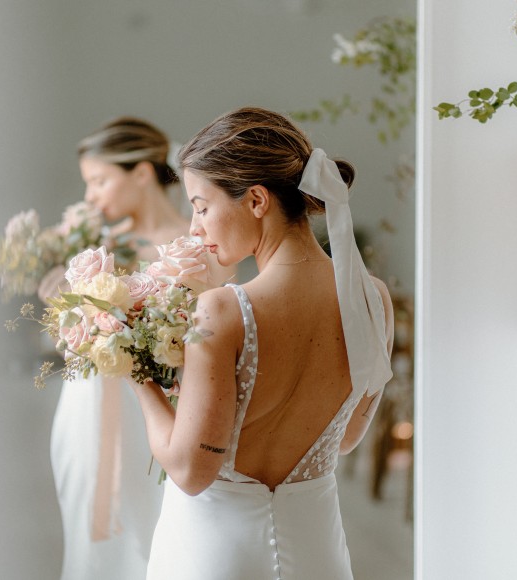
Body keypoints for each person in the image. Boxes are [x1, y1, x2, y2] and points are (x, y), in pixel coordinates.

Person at [129, 107, 395, 579]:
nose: (195, 227)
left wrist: (138, 375)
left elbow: (191, 473)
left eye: (202, 206)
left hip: (215, 553)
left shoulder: (224, 311)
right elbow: (347, 437)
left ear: (256, 200)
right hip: (317, 551)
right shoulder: (372, 298)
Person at [50, 117, 232, 580]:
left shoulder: (199, 248)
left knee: (150, 523)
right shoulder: (97, 247)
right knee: (86, 514)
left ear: (142, 174)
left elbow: (213, 337)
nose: (91, 196)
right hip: (87, 409)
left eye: (99, 180)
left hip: (156, 411)